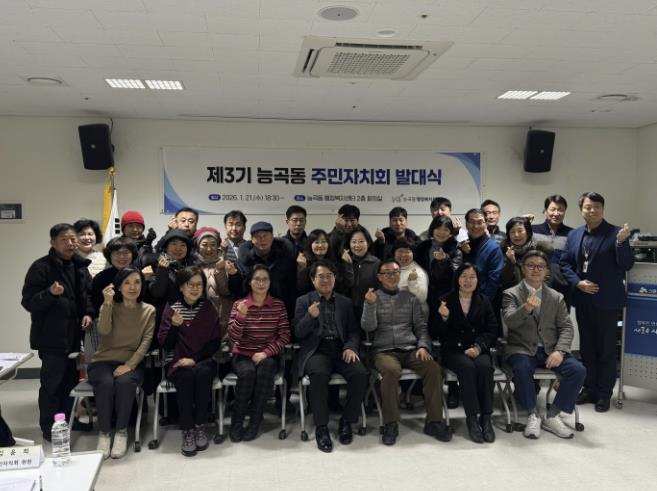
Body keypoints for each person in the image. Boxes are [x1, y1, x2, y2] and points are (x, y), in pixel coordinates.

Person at [361, 260, 451, 445]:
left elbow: (421, 327)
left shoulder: (410, 298)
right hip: (384, 351)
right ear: (379, 277)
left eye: (395, 272)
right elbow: (368, 327)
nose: (392, 276)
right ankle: (391, 423)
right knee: (391, 371)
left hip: (410, 349)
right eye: (387, 273)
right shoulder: (373, 297)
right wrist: (369, 305)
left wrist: (423, 346)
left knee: (433, 369)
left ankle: (434, 421)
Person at [560, 192, 633, 412]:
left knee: (606, 350)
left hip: (607, 302)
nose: (592, 211)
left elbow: (626, 265)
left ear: (603, 209)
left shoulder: (616, 234)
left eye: (597, 207)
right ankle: (589, 387)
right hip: (583, 300)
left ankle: (604, 393)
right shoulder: (575, 235)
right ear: (581, 210)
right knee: (587, 348)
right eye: (588, 207)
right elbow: (565, 264)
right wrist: (577, 283)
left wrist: (621, 243)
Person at [21, 223, 94, 441]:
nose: (70, 243)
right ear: (53, 243)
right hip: (51, 338)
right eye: (64, 239)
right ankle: (49, 427)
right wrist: (50, 294)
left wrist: (88, 313)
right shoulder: (41, 267)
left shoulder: (80, 266)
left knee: (70, 383)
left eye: (73, 239)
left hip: (74, 337)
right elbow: (29, 302)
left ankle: (68, 421)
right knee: (52, 384)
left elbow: (88, 296)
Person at [503, 250, 586, 439]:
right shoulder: (511, 294)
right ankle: (532, 414)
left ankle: (553, 415)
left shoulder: (556, 297)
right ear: (523, 269)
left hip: (551, 349)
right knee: (522, 367)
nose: (536, 269)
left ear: (547, 270)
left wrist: (560, 351)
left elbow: (566, 327)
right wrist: (527, 308)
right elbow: (509, 321)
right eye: (531, 265)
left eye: (540, 266)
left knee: (578, 370)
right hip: (522, 348)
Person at [294, 260, 368, 453]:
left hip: (341, 348)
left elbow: (353, 331)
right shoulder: (303, 301)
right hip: (317, 350)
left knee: (360, 374)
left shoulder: (345, 302)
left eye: (329, 276)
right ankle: (322, 427)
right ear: (313, 280)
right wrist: (310, 316)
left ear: (335, 278)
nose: (325, 280)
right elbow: (298, 333)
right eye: (321, 276)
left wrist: (351, 347)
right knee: (318, 376)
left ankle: (347, 421)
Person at [89, 266, 155, 459]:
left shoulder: (149, 310)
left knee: (125, 383)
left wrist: (130, 365)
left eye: (137, 282)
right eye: (127, 283)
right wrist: (107, 303)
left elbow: (146, 342)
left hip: (131, 362)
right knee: (106, 383)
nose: (132, 287)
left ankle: (121, 432)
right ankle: (104, 433)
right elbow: (103, 331)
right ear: (118, 286)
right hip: (103, 361)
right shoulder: (109, 305)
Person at [158, 266, 223, 456]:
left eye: (199, 285)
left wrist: (193, 359)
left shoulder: (208, 308)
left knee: (203, 374)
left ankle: (200, 426)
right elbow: (166, 345)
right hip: (177, 362)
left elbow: (214, 343)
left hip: (202, 360)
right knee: (185, 377)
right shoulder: (172, 309)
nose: (195, 289)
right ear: (181, 287)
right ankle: (187, 429)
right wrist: (174, 327)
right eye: (190, 284)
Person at [434, 263, 497, 443]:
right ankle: (472, 418)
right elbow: (435, 331)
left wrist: (478, 347)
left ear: (478, 280)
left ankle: (486, 418)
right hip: (454, 349)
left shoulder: (484, 300)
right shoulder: (445, 299)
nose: (468, 281)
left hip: (478, 348)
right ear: (457, 279)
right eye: (464, 276)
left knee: (485, 367)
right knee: (467, 368)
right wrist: (443, 318)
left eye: (472, 277)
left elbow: (492, 330)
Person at [228, 265, 290, 442]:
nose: (261, 283)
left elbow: (285, 336)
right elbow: (233, 337)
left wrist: (266, 353)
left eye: (265, 279)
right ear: (249, 282)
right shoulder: (239, 304)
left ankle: (255, 421)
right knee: (247, 373)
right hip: (243, 354)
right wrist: (241, 317)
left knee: (265, 370)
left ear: (270, 282)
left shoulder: (278, 305)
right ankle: (237, 421)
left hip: (267, 355)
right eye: (257, 279)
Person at [416, 215, 464, 409]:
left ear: (451, 232)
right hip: (424, 300)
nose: (442, 233)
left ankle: (453, 389)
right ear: (432, 229)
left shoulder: (455, 249)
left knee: (448, 342)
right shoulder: (423, 247)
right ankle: (422, 388)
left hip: (446, 301)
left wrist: (444, 261)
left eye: (446, 229)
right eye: (439, 228)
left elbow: (456, 276)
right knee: (424, 339)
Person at [235, 221, 297, 319]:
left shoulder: (286, 256)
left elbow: (293, 285)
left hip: (281, 310)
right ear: (252, 239)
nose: (262, 239)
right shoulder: (244, 260)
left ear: (272, 237)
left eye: (265, 236)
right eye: (258, 236)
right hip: (253, 312)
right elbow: (240, 288)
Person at [461, 209, 504, 303]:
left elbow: (494, 280)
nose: (476, 226)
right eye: (472, 222)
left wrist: (482, 304)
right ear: (466, 224)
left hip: (482, 301)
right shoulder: (460, 245)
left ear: (486, 224)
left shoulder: (493, 248)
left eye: (480, 222)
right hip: (460, 299)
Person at [193, 226, 232, 331]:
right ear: (198, 246)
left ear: (218, 246)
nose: (209, 249)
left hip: (224, 318)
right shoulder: (193, 266)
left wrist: (220, 270)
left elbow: (226, 291)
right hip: (198, 319)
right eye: (204, 245)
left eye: (213, 245)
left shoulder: (227, 263)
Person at [500, 217, 553, 290]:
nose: (516, 235)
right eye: (512, 232)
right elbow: (505, 281)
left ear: (528, 232)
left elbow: (546, 278)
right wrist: (510, 262)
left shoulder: (539, 249)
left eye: (520, 231)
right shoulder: (503, 250)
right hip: (512, 293)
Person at [342, 226, 380, 324]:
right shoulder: (344, 261)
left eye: (361, 241)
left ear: (368, 243)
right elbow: (348, 284)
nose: (357, 245)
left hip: (370, 308)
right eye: (353, 242)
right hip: (349, 309)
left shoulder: (376, 263)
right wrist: (348, 265)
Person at [297, 228, 352, 296]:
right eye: (316, 242)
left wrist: (348, 264)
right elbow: (302, 288)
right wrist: (302, 269)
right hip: (311, 300)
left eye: (323, 242)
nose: (320, 245)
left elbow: (346, 285)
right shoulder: (304, 262)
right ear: (310, 244)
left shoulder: (335, 262)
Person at [92, 237, 138, 314]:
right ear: (109, 255)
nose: (121, 257)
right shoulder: (100, 278)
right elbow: (96, 306)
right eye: (117, 253)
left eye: (126, 253)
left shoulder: (139, 276)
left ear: (133, 254)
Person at [392, 238, 429, 319]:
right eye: (400, 251)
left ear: (413, 254)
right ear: (394, 253)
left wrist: (412, 283)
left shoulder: (418, 272)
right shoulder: (390, 267)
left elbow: (421, 298)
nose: (403, 255)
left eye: (407, 251)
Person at [531, 195, 573, 260]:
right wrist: (524, 221)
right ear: (545, 211)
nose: (556, 214)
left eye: (560, 210)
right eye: (552, 209)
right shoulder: (533, 230)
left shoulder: (572, 233)